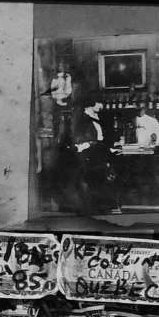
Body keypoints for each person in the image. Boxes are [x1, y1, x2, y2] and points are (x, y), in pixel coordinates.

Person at [36, 68, 101, 217]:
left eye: (66, 86)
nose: (62, 91)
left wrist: (80, 144)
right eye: (57, 88)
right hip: (55, 152)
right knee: (58, 182)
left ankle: (79, 210)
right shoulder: (48, 109)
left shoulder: (75, 110)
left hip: (72, 152)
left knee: (75, 182)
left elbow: (83, 132)